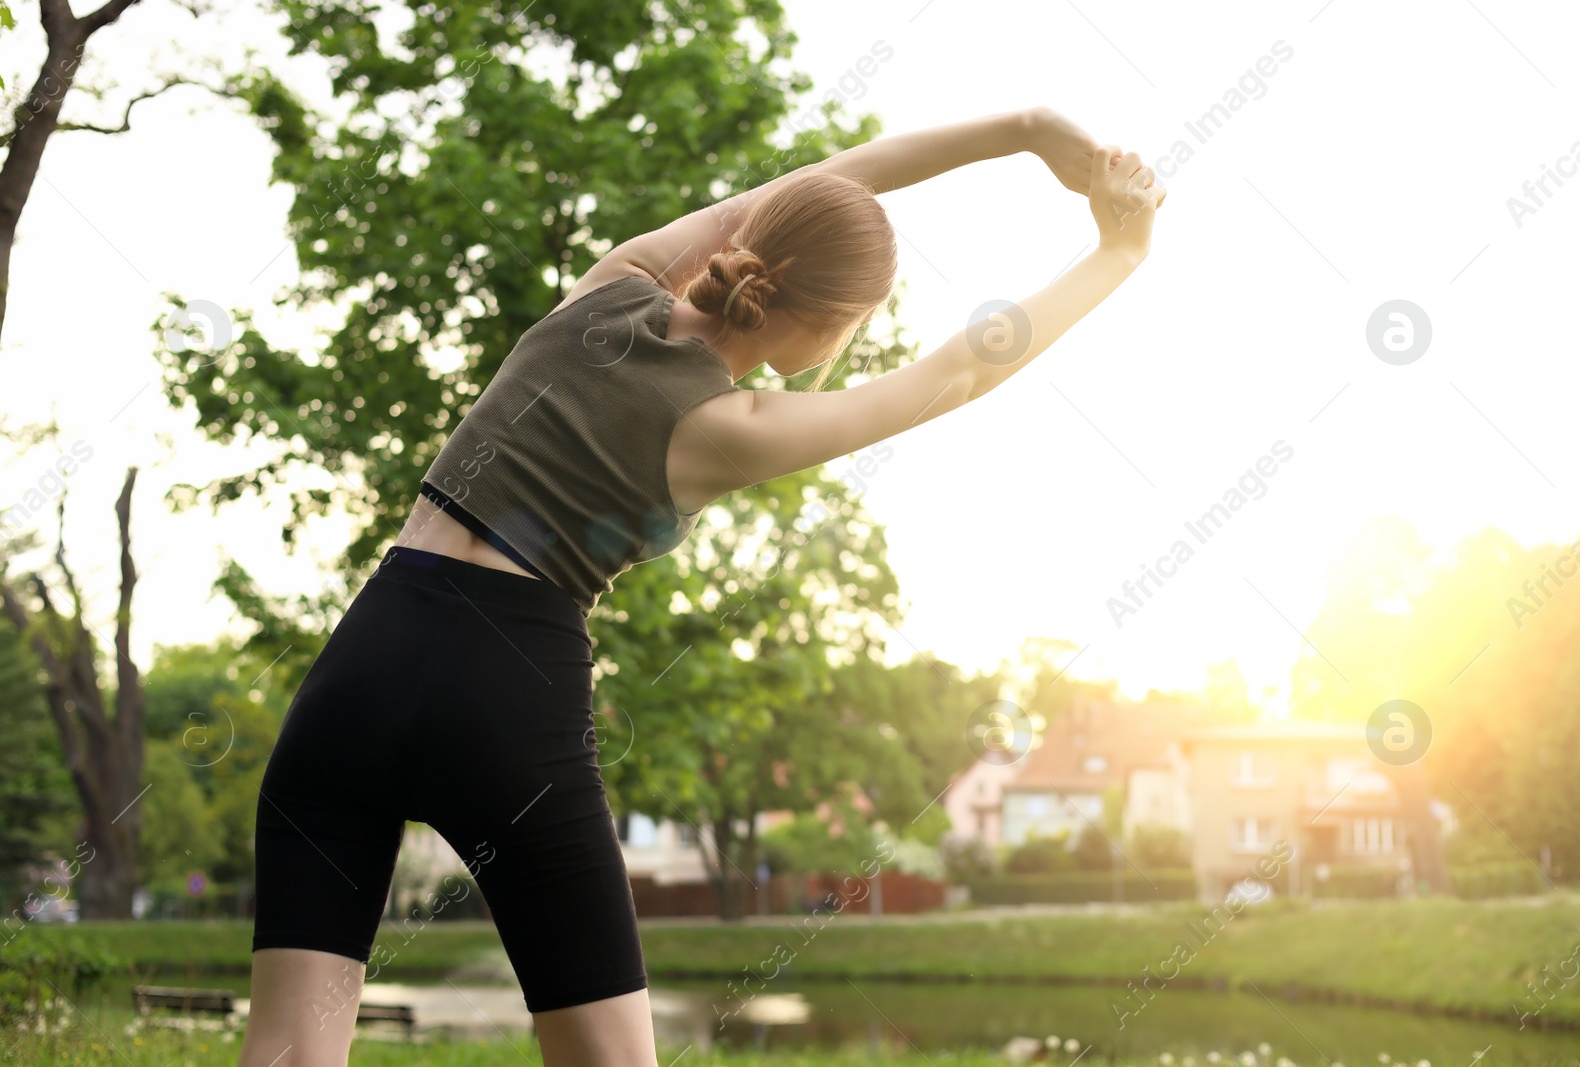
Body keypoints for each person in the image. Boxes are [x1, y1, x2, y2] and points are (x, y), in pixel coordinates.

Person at [237, 105, 1163, 1067]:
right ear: (831, 323)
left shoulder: (611, 283)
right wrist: (1120, 253)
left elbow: (849, 176)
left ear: (753, 243)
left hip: (367, 656)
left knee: (289, 1053)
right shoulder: (736, 427)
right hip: (505, 696)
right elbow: (966, 369)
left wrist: (1023, 130)